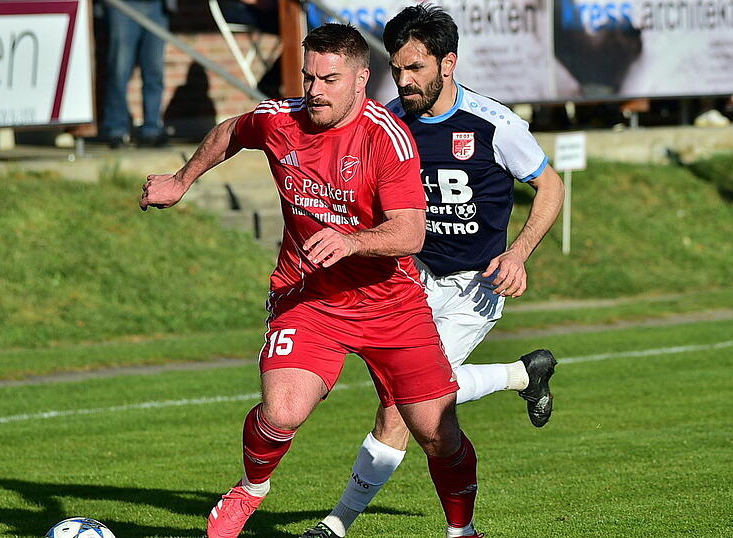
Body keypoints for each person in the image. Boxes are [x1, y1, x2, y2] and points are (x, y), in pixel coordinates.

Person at [142, 23, 484, 538]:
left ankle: (463, 532)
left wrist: (352, 241)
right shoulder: (282, 121)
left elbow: (411, 233)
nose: (315, 91)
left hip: (391, 305)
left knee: (437, 433)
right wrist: (181, 179)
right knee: (281, 412)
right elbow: (231, 132)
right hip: (310, 297)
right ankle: (252, 488)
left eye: (329, 79)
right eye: (308, 77)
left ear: (361, 80)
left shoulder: (388, 140)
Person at [303, 6, 565, 538]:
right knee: (408, 401)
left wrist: (518, 254)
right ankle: (520, 375)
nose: (405, 81)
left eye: (417, 68)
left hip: (475, 286)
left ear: (449, 64)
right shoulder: (391, 121)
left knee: (406, 402)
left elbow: (552, 187)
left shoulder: (495, 124)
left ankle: (336, 525)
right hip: (411, 280)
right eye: (397, 69)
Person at [100, 0, 173, 148]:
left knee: (154, 72)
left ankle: (152, 129)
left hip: (156, 6)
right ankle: (116, 129)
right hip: (121, 5)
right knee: (119, 72)